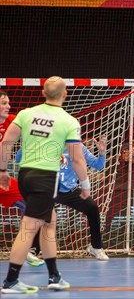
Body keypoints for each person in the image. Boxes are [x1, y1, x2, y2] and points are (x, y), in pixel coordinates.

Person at [0, 76, 90, 294]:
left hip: (25, 176)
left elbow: (6, 142)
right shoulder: (69, 121)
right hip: (45, 178)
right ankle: (10, 281)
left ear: (43, 93)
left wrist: (2, 170)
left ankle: (54, 276)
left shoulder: (25, 114)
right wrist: (85, 184)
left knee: (49, 222)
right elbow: (77, 159)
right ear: (65, 94)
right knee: (29, 228)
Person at [0, 90, 44, 268]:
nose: (8, 106)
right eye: (4, 103)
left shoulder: (12, 121)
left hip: (4, 179)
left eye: (8, 102)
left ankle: (24, 250)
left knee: (32, 206)